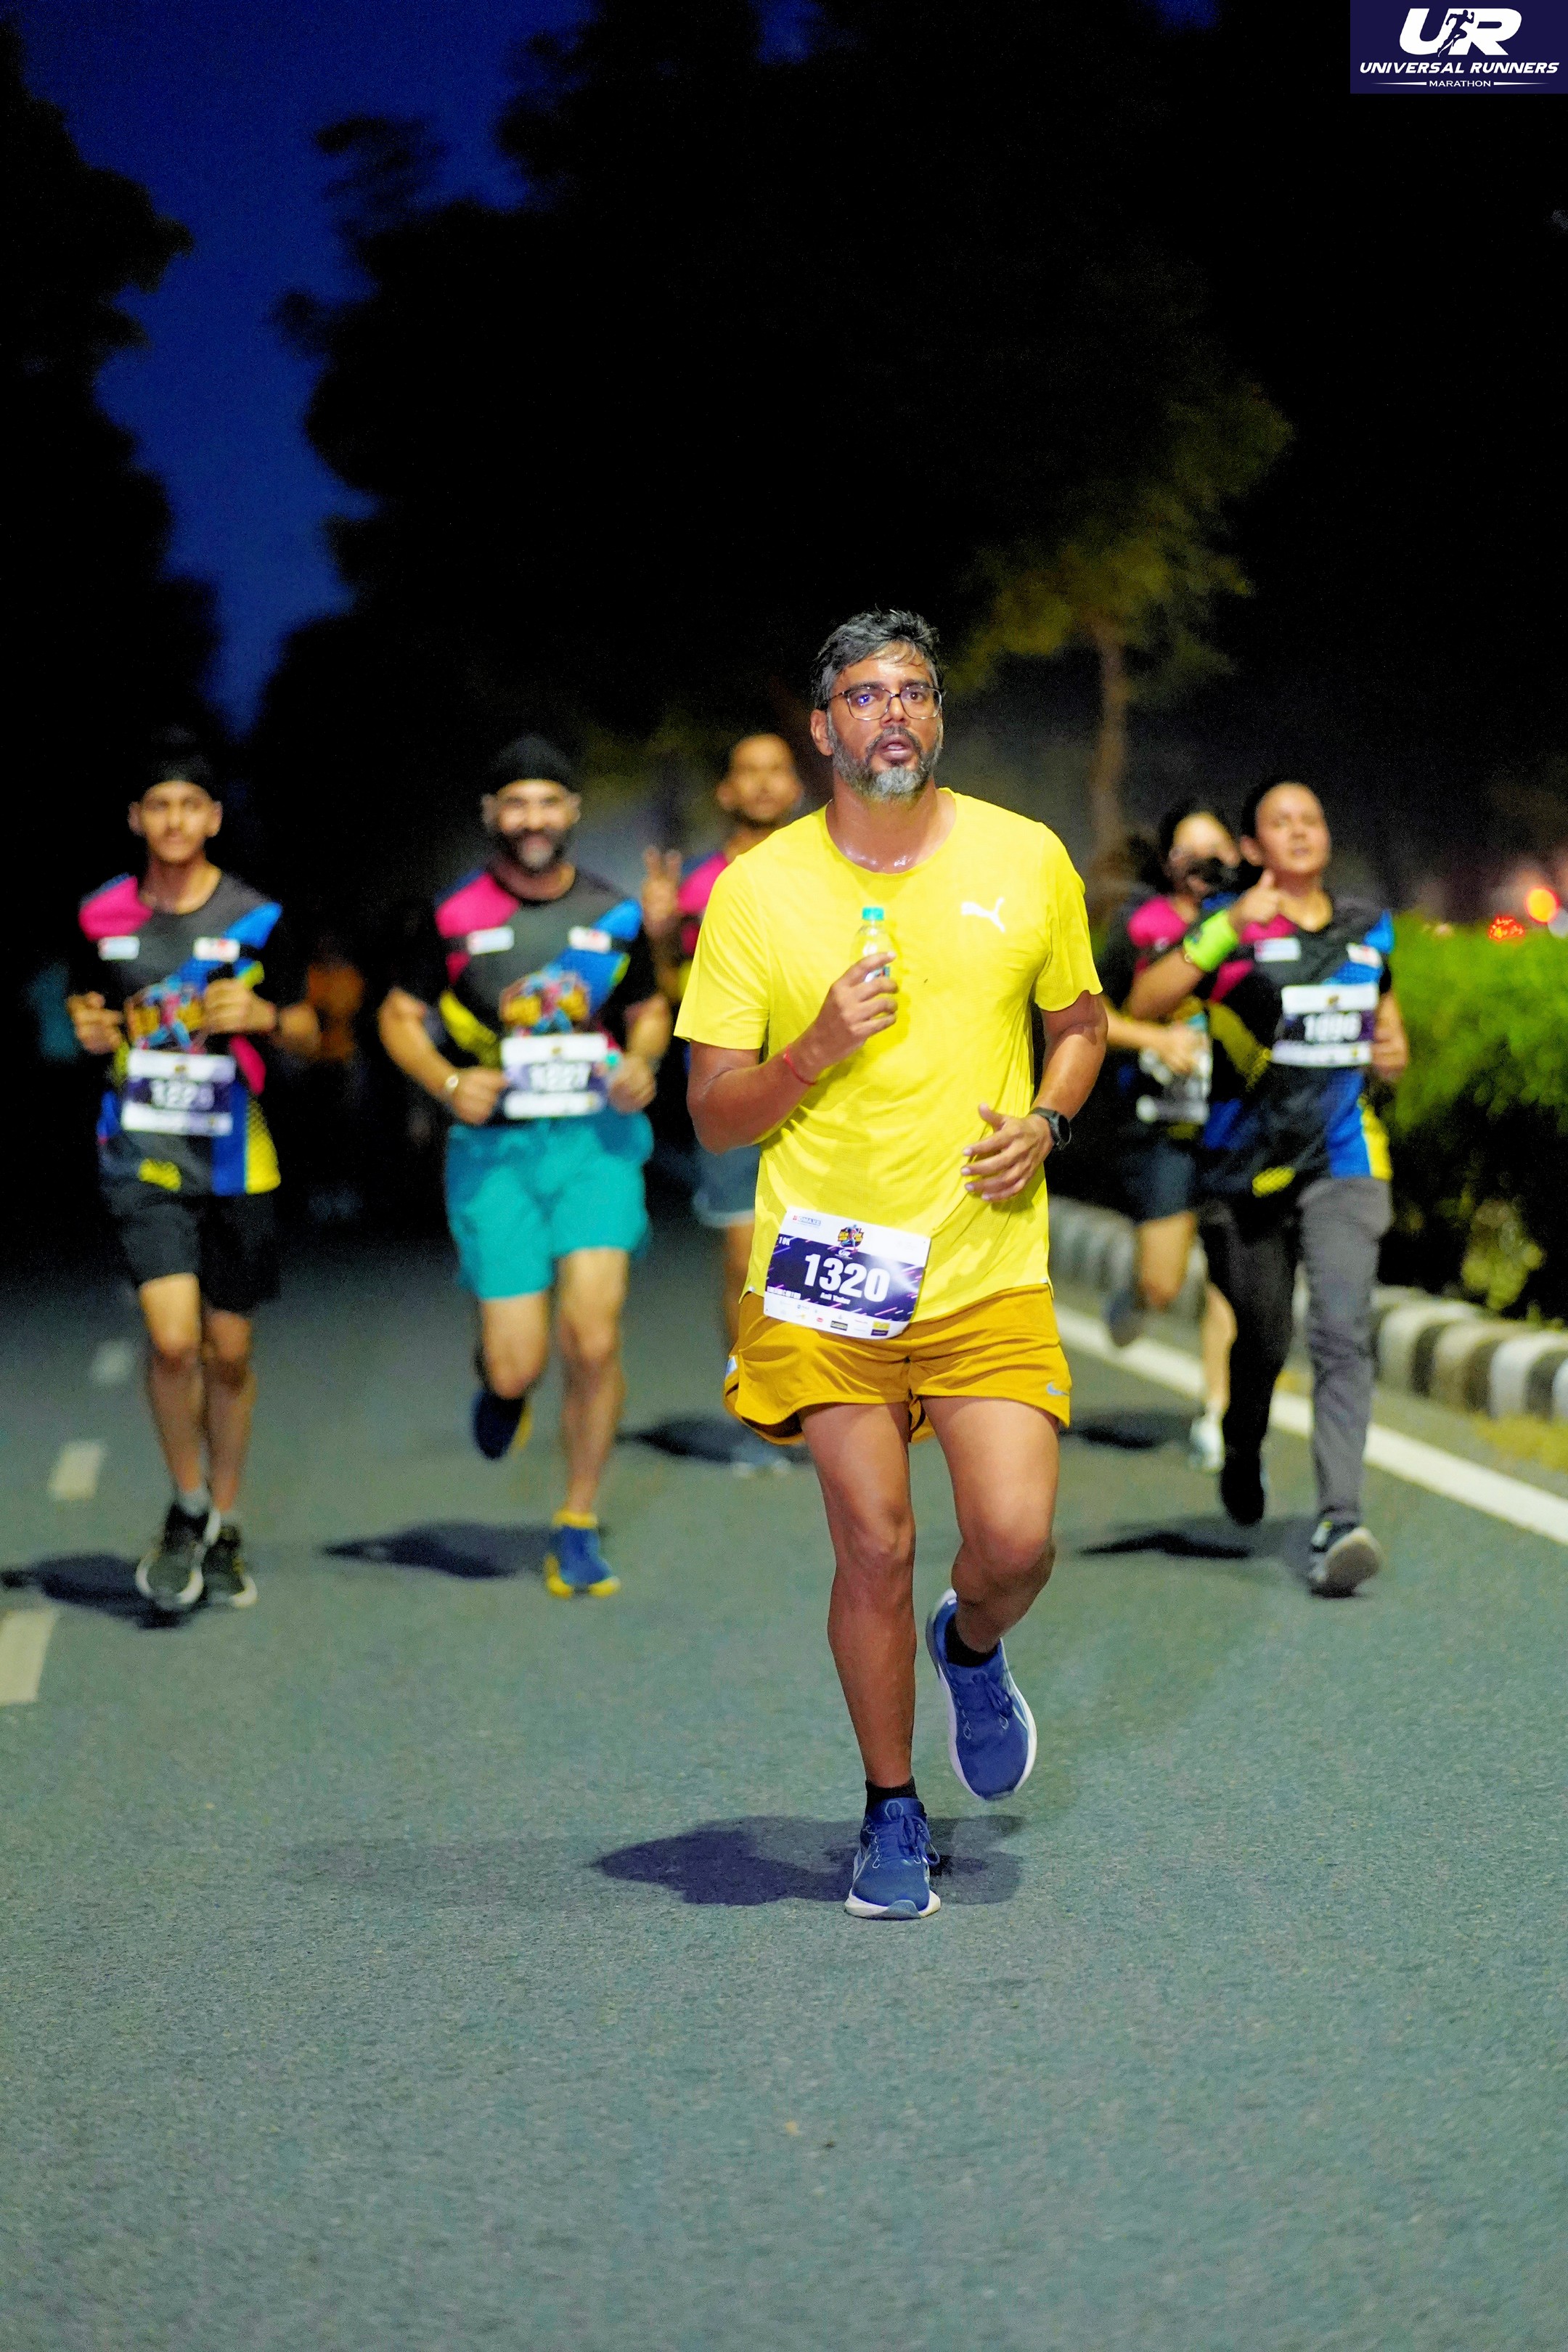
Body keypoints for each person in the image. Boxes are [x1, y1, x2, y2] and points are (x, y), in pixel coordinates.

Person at [678, 611, 1106, 1919]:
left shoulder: (1027, 856)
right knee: (875, 1542)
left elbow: (1081, 1025)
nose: (895, 713)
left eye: (915, 691)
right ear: (824, 728)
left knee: (1014, 1542)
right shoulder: (757, 891)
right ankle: (891, 1806)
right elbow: (714, 1114)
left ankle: (970, 1648)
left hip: (983, 1260)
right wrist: (812, 1048)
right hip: (830, 1265)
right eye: (866, 695)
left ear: (939, 717)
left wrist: (1048, 1122)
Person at [378, 736, 671, 1598]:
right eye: (516, 803)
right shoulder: (451, 918)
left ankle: (577, 1521)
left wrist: (642, 1062)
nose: (533, 819)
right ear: (491, 815)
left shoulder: (614, 915)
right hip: (497, 1156)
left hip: (594, 1148)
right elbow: (397, 1017)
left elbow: (649, 1009)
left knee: (594, 1337)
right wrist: (446, 1082)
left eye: (548, 802)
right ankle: (502, 1386)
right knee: (518, 1364)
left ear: (572, 811)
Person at [1128, 775, 1408, 1596]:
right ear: (1253, 846)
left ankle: (1339, 1520)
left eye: (1310, 818)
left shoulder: (1367, 926)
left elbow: (1386, 1031)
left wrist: (1393, 1055)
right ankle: (1243, 1442)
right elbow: (1147, 999)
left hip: (1346, 1159)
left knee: (1342, 1332)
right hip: (1245, 1169)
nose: (1299, 830)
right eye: (1280, 821)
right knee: (1261, 1338)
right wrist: (1227, 928)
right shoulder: (1229, 928)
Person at [67, 733, 318, 1614]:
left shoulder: (258, 917)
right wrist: (90, 1030)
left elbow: (311, 1030)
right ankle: (186, 1503)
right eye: (158, 807)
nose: (174, 821)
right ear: (137, 819)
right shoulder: (99, 917)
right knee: (175, 1342)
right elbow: (85, 1007)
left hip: (237, 1158)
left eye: (189, 806)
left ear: (211, 818)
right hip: (142, 1154)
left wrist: (265, 1016)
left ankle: (228, 1519)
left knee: (231, 1353)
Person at [640, 732, 805, 1346]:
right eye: (748, 771)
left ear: (796, 787)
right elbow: (667, 988)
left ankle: (825, 1393)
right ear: (726, 791)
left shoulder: (831, 873)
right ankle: (748, 1394)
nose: (762, 782)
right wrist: (660, 933)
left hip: (821, 1082)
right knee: (745, 1257)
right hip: (730, 1084)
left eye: (776, 769)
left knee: (828, 1258)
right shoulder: (692, 887)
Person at [1096, 802, 1239, 1471]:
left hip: (1238, 1122)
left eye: (1217, 850)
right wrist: (1156, 1039)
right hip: (1162, 1123)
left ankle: (1218, 1412)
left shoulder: (1257, 923)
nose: (1205, 863)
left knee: (1234, 1271)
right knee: (1164, 1281)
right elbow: (1088, 1011)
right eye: (1189, 851)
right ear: (1167, 862)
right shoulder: (1140, 924)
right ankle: (1136, 1294)